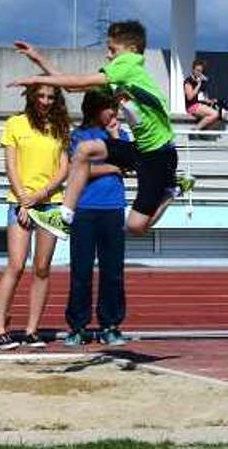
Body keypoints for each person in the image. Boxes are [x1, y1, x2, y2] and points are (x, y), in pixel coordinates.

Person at [9, 20, 194, 240]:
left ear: (132, 50)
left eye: (113, 50)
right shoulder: (120, 77)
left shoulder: (129, 65)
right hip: (140, 149)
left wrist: (35, 79)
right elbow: (70, 86)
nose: (108, 55)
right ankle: (65, 217)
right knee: (85, 150)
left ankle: (173, 189)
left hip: (158, 155)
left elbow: (79, 80)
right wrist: (38, 58)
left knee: (136, 227)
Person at [0, 82, 69, 350]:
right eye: (41, 96)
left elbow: (63, 168)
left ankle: (32, 330)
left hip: (51, 203)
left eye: (50, 96)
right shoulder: (15, 124)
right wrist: (25, 200)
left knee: (43, 268)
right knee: (16, 265)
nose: (45, 101)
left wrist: (41, 194)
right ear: (32, 97)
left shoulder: (60, 127)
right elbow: (11, 166)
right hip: (19, 202)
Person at [64, 90, 128, 347]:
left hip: (113, 208)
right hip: (84, 209)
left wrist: (114, 139)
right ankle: (78, 327)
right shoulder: (79, 136)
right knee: (81, 271)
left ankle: (110, 325)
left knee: (113, 271)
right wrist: (112, 166)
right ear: (94, 108)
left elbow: (128, 161)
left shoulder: (119, 135)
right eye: (109, 107)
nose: (114, 113)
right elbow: (78, 169)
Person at [184, 59, 221, 136]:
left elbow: (201, 97)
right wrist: (198, 85)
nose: (198, 73)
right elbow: (190, 97)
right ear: (193, 69)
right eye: (197, 70)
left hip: (200, 105)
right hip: (192, 106)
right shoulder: (188, 81)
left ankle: (205, 132)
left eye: (200, 71)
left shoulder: (201, 81)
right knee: (214, 114)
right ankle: (195, 131)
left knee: (222, 114)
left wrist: (209, 101)